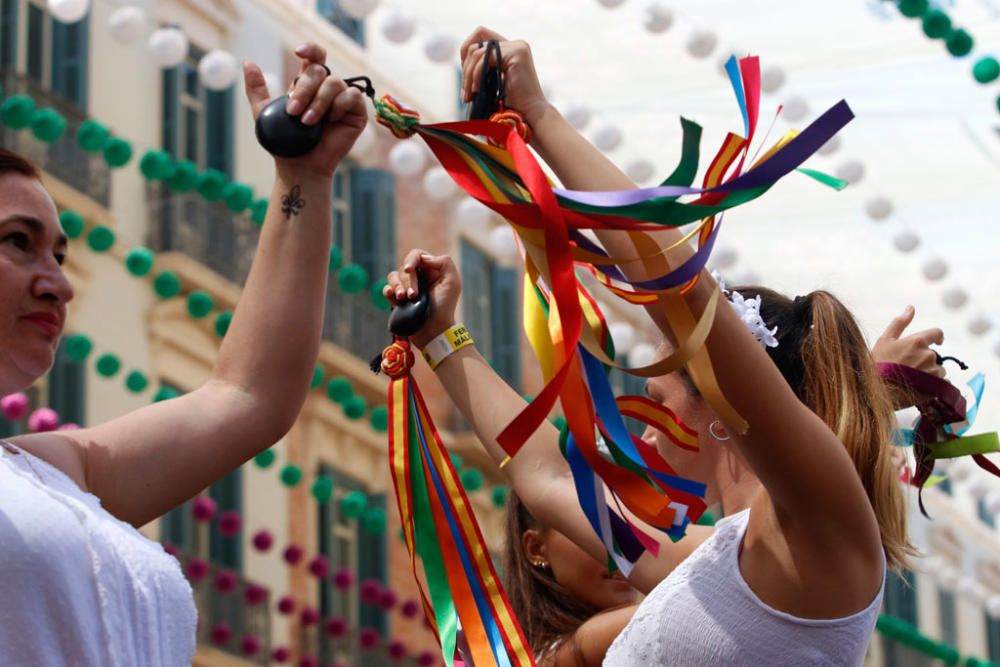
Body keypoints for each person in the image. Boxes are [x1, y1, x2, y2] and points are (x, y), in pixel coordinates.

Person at [384, 27, 929, 666]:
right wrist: (442, 337)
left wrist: (540, 118)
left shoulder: (819, 524)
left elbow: (675, 286)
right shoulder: (707, 557)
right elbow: (550, 477)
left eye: (654, 399)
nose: (637, 437)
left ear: (722, 403)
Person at [0, 43, 366, 666]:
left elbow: (249, 396)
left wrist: (302, 179)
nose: (57, 282)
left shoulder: (53, 475)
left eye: (59, 255)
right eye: (18, 242)